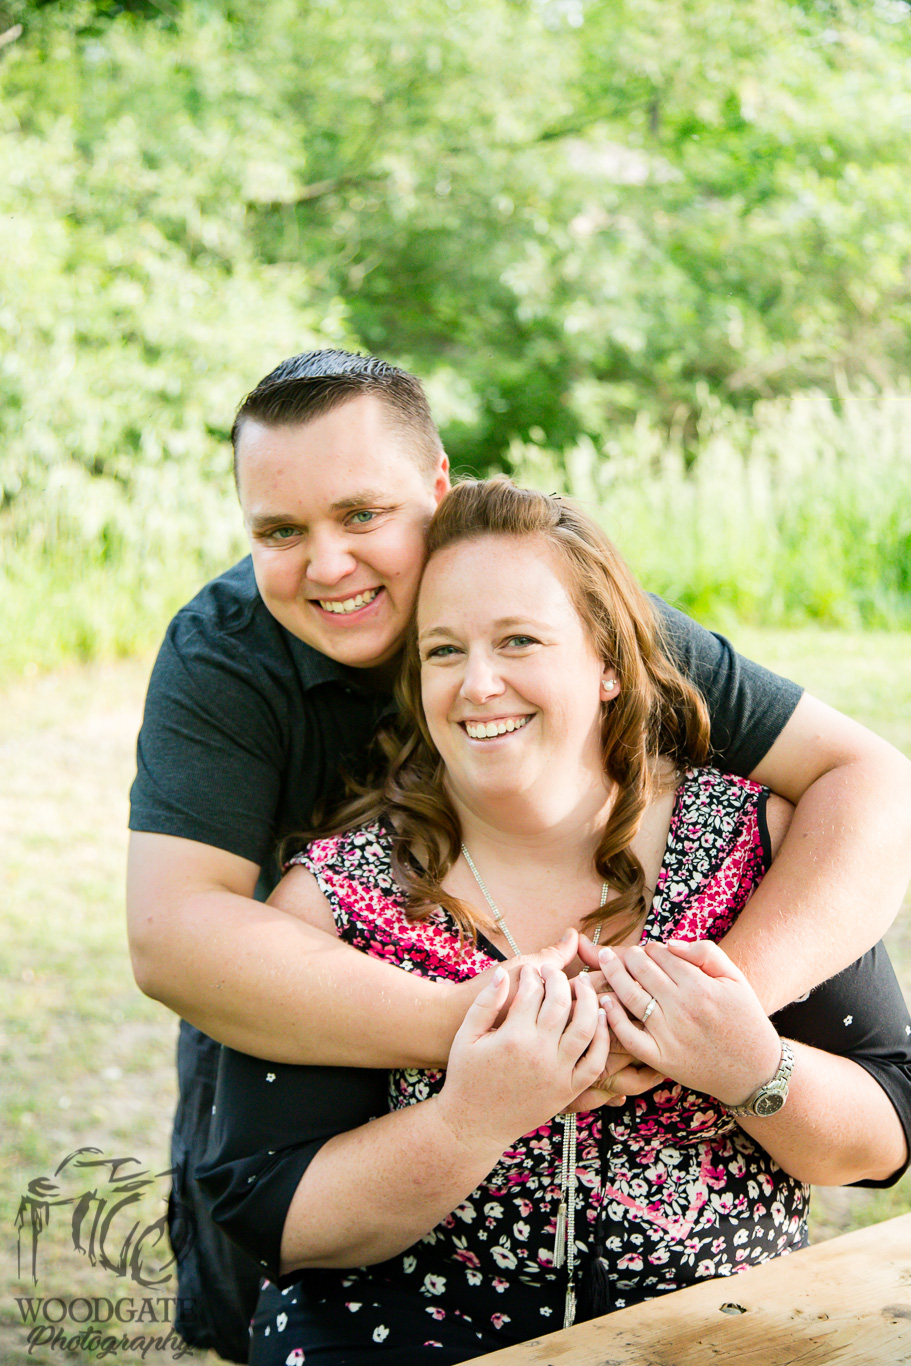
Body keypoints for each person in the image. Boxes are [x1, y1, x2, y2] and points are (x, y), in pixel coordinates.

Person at [127, 352, 911, 1361]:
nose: (326, 564)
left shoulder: (566, 594)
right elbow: (174, 938)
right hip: (320, 1056)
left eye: (361, 514)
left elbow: (864, 776)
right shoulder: (228, 662)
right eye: (281, 531)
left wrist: (713, 1010)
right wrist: (494, 1035)